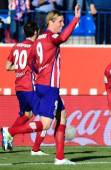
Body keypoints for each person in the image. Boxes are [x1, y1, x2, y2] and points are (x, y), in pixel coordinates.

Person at [1, 4, 81, 165]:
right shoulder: (51, 37)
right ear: (51, 21)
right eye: (60, 21)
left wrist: (40, 70)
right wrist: (76, 18)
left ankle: (59, 158)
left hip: (41, 84)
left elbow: (30, 61)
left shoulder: (38, 40)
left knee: (62, 116)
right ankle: (10, 131)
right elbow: (63, 37)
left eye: (63, 21)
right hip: (49, 86)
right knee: (45, 123)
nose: (62, 24)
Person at [3, 21, 48, 156]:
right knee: (47, 118)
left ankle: (8, 135)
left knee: (26, 115)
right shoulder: (34, 47)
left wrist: (20, 69)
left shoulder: (17, 46)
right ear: (35, 32)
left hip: (19, 87)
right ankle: (35, 147)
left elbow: (7, 66)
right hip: (31, 86)